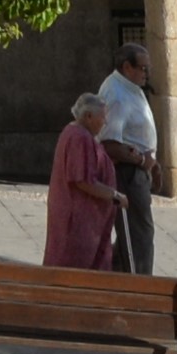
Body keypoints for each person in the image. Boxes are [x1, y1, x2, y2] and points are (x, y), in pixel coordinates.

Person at [44, 93, 125, 270]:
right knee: (75, 269)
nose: (105, 122)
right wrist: (114, 195)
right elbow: (82, 180)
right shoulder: (79, 137)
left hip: (85, 220)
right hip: (78, 221)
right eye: (102, 117)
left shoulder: (77, 134)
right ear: (88, 116)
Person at [98, 42, 159, 276]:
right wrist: (143, 162)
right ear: (126, 66)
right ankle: (141, 285)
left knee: (131, 235)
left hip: (138, 170)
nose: (146, 74)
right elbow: (110, 143)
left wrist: (153, 164)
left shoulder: (130, 88)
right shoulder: (118, 95)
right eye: (142, 68)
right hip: (127, 173)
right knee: (139, 234)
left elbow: (137, 135)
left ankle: (117, 280)